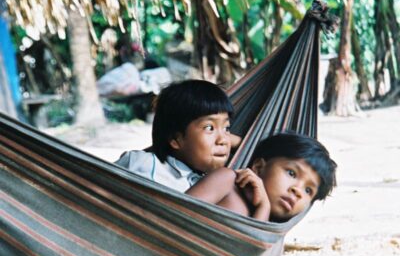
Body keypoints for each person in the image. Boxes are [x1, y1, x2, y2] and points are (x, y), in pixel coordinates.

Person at [186, 133, 337, 222]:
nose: (297, 191)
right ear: (258, 167)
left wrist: (264, 207)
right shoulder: (227, 180)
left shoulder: (272, 231)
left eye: (308, 190)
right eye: (291, 173)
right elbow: (177, 214)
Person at [115, 79, 235, 191]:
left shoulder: (203, 182)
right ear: (175, 139)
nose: (223, 140)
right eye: (209, 128)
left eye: (226, 128)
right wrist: (224, 179)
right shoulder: (145, 163)